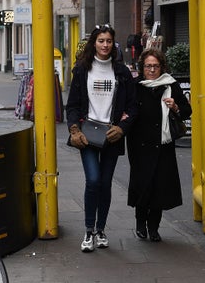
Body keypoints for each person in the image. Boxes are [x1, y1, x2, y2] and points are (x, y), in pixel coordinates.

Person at [65, 24, 137, 252]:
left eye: (108, 41)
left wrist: (122, 128)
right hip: (87, 135)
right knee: (93, 180)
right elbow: (73, 106)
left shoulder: (122, 72)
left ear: (113, 44)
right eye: (100, 41)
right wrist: (74, 129)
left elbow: (133, 106)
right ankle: (88, 231)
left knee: (105, 184)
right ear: (93, 43)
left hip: (111, 136)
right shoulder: (82, 70)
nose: (105, 45)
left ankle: (101, 229)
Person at [127, 48, 192, 242]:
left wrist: (176, 107)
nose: (152, 70)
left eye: (156, 66)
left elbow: (188, 111)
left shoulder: (171, 85)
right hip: (139, 144)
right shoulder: (135, 86)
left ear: (161, 66)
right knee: (142, 184)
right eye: (148, 66)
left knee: (159, 187)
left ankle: (154, 228)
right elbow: (125, 110)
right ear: (142, 67)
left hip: (163, 145)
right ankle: (140, 223)